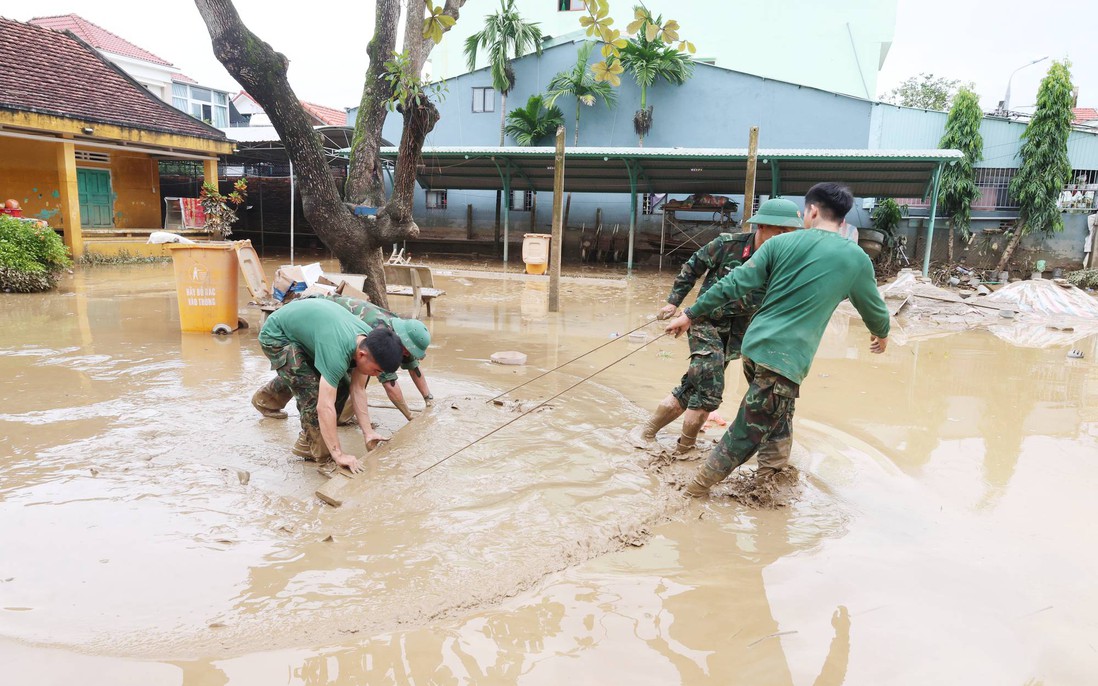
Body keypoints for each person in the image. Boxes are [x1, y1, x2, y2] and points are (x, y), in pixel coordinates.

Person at [664, 183, 891, 497]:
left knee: (779, 414)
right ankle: (693, 491)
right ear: (843, 217)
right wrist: (881, 334)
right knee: (748, 430)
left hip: (753, 348)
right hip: (785, 359)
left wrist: (689, 313)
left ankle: (770, 479)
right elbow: (874, 310)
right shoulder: (856, 258)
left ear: (812, 211)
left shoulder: (779, 244)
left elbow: (733, 283)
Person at [637, 199, 802, 476]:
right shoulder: (727, 244)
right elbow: (693, 266)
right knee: (709, 391)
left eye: (791, 234)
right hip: (704, 322)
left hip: (740, 333)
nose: (786, 239)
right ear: (762, 227)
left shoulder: (785, 261)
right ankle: (685, 449)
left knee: (692, 385)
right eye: (781, 232)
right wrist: (673, 302)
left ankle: (645, 434)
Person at [255, 297, 403, 474]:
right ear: (362, 355)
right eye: (377, 370)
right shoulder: (337, 352)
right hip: (277, 334)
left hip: (310, 329)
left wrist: (368, 432)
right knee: (311, 391)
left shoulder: (368, 341)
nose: (377, 375)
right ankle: (323, 458)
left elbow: (357, 389)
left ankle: (267, 402)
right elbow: (324, 407)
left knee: (340, 384)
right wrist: (337, 454)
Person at [253, 295, 433, 424]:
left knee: (341, 377)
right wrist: (410, 417)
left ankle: (337, 418)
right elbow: (389, 383)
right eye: (407, 352)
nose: (407, 356)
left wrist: (428, 399)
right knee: (309, 376)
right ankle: (267, 401)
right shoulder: (379, 334)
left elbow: (413, 366)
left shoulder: (402, 333)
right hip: (311, 320)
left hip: (330, 329)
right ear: (402, 342)